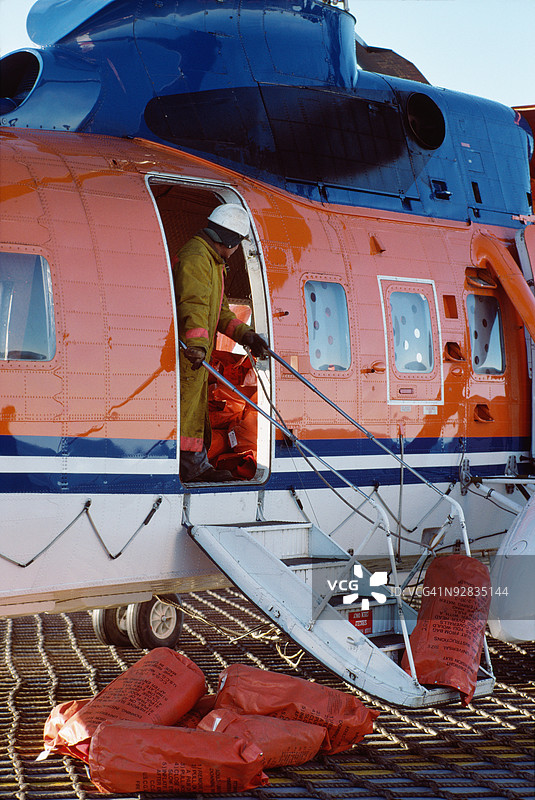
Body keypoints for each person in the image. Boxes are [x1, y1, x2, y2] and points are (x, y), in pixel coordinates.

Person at [173, 204, 268, 483]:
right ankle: (192, 469)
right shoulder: (197, 257)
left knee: (195, 410)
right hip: (189, 355)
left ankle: (196, 465)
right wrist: (199, 346)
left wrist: (247, 336)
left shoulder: (214, 263)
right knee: (188, 412)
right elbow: (194, 304)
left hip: (197, 355)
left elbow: (221, 312)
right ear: (230, 241)